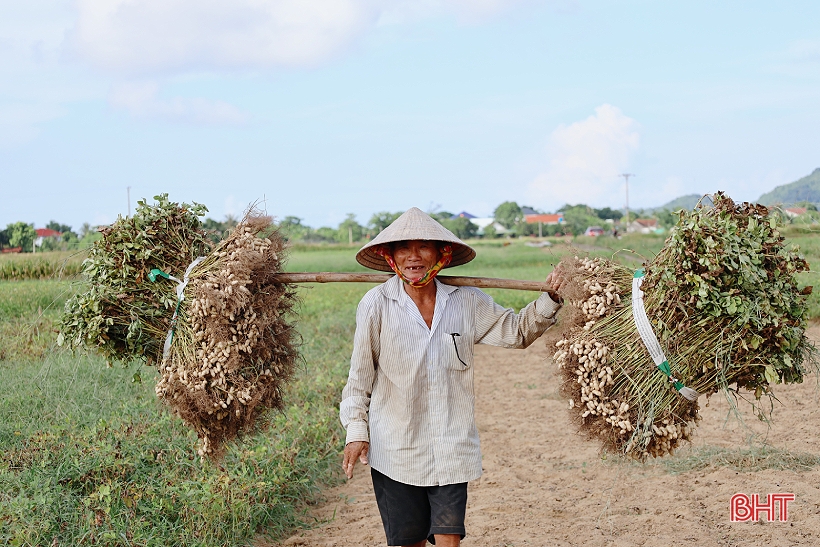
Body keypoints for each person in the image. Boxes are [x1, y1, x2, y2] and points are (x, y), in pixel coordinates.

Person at [340, 207, 565, 547]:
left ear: (440, 254)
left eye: (423, 247)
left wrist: (550, 298)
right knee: (408, 541)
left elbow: (516, 332)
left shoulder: (466, 301)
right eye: (404, 248)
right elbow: (359, 379)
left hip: (451, 445)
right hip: (396, 448)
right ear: (390, 256)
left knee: (449, 538)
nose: (413, 256)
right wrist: (356, 432)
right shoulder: (376, 304)